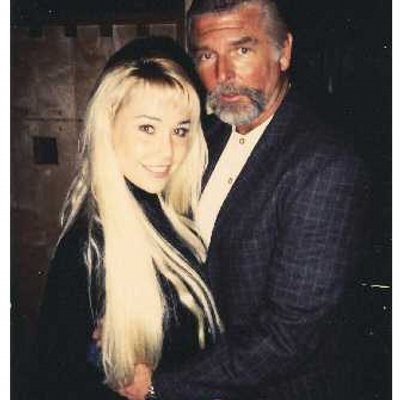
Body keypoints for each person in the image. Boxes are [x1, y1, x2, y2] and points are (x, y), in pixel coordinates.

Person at [127, 1, 371, 399]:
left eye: (242, 50)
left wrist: (160, 386)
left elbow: (289, 338)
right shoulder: (204, 136)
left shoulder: (324, 165)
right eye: (207, 56)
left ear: (284, 51)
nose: (223, 75)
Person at [28, 37, 223, 400]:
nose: (167, 151)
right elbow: (54, 378)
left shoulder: (167, 211)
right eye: (147, 128)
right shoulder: (89, 246)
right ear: (108, 126)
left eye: (180, 130)